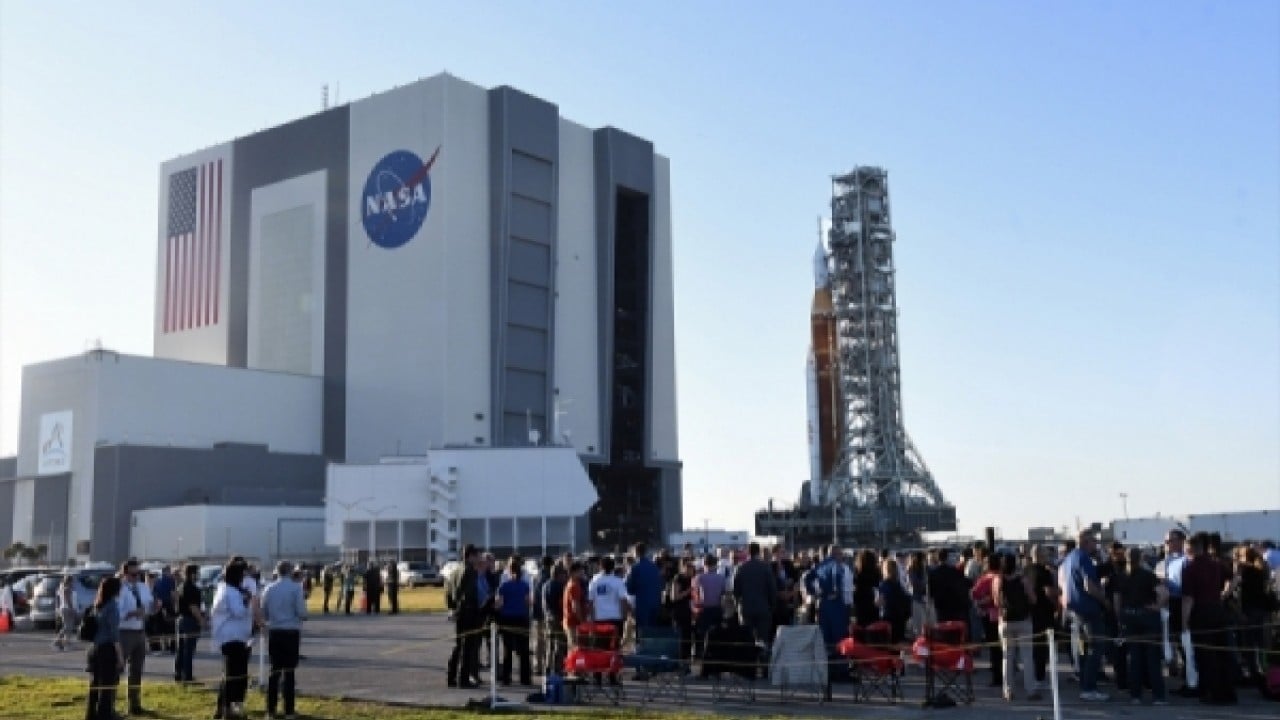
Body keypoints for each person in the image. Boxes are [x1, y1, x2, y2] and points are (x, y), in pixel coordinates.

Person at [1181, 532, 1237, 705]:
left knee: (1205, 654)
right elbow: (1234, 578)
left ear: (1190, 549)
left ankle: (1212, 692)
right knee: (1222, 652)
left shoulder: (1190, 569)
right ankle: (1228, 691)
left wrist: (1184, 621)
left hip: (1201, 612)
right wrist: (1224, 594)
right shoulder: (1216, 565)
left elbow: (1188, 598)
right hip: (1217, 609)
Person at [1112, 546, 1167, 705]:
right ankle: (1158, 696)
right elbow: (1164, 594)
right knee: (1153, 658)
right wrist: (1157, 606)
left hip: (1129, 617)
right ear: (1141, 558)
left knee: (1134, 658)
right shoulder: (1148, 575)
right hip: (1148, 616)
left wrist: (1120, 619)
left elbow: (1117, 602)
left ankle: (1135, 695)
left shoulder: (1120, 577)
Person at [1060, 530, 1111, 702]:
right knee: (1095, 649)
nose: (1096, 545)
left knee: (1082, 650)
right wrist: (1104, 601)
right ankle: (1090, 687)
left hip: (1074, 611)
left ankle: (1084, 683)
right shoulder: (1083, 558)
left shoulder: (1068, 559)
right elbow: (1089, 585)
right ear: (1086, 542)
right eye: (1094, 542)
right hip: (1089, 611)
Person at [262, 560, 308, 719]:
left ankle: (270, 709)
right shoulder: (296, 588)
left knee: (274, 671)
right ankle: (289, 710)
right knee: (289, 673)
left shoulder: (269, 588)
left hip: (275, 632)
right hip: (290, 632)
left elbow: (264, 612)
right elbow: (302, 611)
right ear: (289, 572)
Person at [211, 561, 254, 720]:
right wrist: (247, 600)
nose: (244, 578)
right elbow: (239, 612)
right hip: (232, 637)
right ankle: (229, 709)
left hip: (235, 636)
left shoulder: (227, 589)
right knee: (235, 675)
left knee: (230, 674)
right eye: (242, 574)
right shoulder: (230, 592)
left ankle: (223, 708)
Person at [994, 552, 1038, 702]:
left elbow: (996, 602)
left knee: (1007, 657)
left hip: (1005, 622)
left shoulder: (998, 580)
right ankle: (1030, 690)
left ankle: (1008, 691)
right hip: (1023, 620)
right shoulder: (1023, 580)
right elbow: (1033, 599)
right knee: (1027, 657)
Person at [117, 558, 155, 715]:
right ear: (125, 574)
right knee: (118, 669)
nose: (136, 577)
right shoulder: (120, 588)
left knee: (137, 670)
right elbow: (117, 613)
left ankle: (134, 704)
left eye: (138, 574)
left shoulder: (142, 587)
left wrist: (155, 606)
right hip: (124, 632)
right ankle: (109, 704)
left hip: (140, 631)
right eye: (133, 574)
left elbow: (149, 607)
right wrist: (132, 613)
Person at [86, 576, 124, 720]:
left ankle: (91, 713)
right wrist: (120, 655)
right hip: (107, 649)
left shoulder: (98, 604)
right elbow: (114, 634)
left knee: (95, 683)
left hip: (95, 648)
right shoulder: (112, 606)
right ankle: (105, 714)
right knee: (108, 684)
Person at [446, 545, 483, 688]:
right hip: (468, 612)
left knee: (458, 645)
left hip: (459, 612)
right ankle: (464, 679)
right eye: (476, 555)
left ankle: (451, 676)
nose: (478, 558)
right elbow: (464, 593)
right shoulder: (469, 571)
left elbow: (448, 590)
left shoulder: (455, 570)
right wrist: (462, 607)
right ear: (470, 556)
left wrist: (452, 608)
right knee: (468, 647)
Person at [732, 542, 778, 656]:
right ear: (758, 552)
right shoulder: (765, 568)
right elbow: (772, 589)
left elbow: (736, 591)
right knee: (763, 640)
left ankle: (750, 669)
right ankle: (764, 667)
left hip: (746, 608)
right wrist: (772, 606)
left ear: (748, 552)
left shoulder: (741, 568)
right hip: (763, 608)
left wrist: (737, 605)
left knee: (748, 640)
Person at [495, 557, 533, 686]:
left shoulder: (504, 586)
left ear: (510, 571)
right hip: (521, 618)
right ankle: (525, 678)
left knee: (508, 649)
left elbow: (499, 603)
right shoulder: (525, 586)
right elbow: (528, 602)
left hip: (507, 618)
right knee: (524, 650)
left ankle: (506, 677)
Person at [1027, 545, 1059, 686]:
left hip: (1030, 613)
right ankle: (1039, 676)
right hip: (1044, 613)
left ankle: (1032, 674)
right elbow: (1049, 592)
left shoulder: (1026, 570)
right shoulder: (1044, 572)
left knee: (1033, 646)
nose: (1048, 557)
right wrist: (1060, 591)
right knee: (1042, 647)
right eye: (1045, 555)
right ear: (1039, 556)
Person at [971, 552, 1003, 688]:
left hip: (989, 615)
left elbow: (973, 594)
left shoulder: (984, 579)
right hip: (1003, 615)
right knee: (1003, 647)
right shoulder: (1002, 577)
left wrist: (982, 602)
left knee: (994, 647)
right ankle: (1006, 673)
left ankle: (997, 676)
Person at [691, 554, 727, 661]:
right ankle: (716, 657)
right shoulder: (721, 578)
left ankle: (700, 656)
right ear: (715, 564)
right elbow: (723, 595)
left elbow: (694, 596)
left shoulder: (698, 578)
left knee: (700, 635)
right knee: (716, 636)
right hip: (717, 609)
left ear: (704, 564)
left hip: (702, 610)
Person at [174, 564, 205, 684]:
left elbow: (176, 604)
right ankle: (187, 676)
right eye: (197, 573)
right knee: (188, 650)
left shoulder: (181, 586)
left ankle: (178, 673)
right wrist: (201, 620)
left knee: (180, 649)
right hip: (190, 620)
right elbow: (193, 606)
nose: (198, 575)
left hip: (181, 619)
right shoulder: (192, 588)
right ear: (192, 574)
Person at [625, 543, 663, 636]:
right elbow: (661, 585)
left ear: (636, 552)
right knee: (653, 632)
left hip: (642, 604)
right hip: (656, 603)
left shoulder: (635, 568)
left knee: (642, 633)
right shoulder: (654, 567)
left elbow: (629, 589)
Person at [875, 558, 911, 644]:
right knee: (899, 641)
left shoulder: (884, 584)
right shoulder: (898, 584)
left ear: (885, 570)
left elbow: (879, 603)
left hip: (889, 617)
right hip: (900, 617)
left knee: (891, 643)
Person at [666, 558, 695, 662]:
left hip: (689, 611)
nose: (690, 570)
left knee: (688, 638)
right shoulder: (678, 578)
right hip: (679, 611)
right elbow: (674, 596)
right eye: (688, 567)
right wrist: (688, 591)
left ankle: (686, 660)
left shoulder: (692, 579)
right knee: (680, 637)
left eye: (691, 567)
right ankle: (679, 660)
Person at [541, 562, 568, 674]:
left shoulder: (545, 585)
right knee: (560, 644)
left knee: (549, 644)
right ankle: (558, 668)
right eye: (563, 574)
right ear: (558, 574)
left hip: (548, 617)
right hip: (558, 617)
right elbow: (562, 603)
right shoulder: (560, 586)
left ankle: (547, 667)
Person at [562, 561, 590, 650]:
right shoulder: (574, 586)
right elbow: (575, 607)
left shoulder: (570, 584)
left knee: (572, 648)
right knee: (576, 650)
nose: (582, 572)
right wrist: (582, 621)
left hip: (569, 621)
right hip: (574, 623)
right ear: (574, 572)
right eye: (580, 570)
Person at [852, 549, 883, 629]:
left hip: (861, 607)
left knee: (862, 629)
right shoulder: (877, 574)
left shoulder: (858, 575)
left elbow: (855, 592)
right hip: (873, 605)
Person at [152, 565, 177, 654]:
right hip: (168, 604)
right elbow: (173, 594)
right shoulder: (171, 580)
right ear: (167, 571)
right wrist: (175, 605)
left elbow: (154, 594)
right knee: (171, 627)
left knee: (160, 626)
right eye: (169, 571)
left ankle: (165, 645)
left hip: (159, 605)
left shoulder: (157, 581)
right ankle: (172, 647)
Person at [53, 574, 79, 651]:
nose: (73, 583)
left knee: (67, 627)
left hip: (65, 608)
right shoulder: (66, 589)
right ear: (69, 581)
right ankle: (63, 642)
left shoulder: (64, 588)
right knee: (68, 627)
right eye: (72, 581)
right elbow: (68, 600)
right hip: (67, 609)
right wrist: (72, 609)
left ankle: (62, 642)